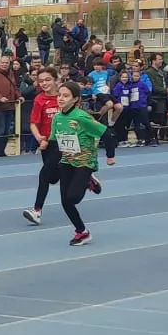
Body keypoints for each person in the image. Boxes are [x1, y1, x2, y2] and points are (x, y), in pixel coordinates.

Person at [48, 80, 106, 247]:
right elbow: (54, 143)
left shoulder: (82, 117)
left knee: (73, 197)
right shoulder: (57, 118)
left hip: (84, 160)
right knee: (65, 202)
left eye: (65, 96)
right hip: (66, 160)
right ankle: (82, 232)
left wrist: (110, 155)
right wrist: (50, 166)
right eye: (59, 95)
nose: (60, 98)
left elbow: (105, 133)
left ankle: (88, 179)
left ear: (75, 99)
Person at [22, 67, 62, 226]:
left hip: (63, 140)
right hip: (47, 143)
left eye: (48, 80)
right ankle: (83, 174)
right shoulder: (39, 100)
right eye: (41, 81)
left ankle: (37, 210)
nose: (44, 83)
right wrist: (39, 138)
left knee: (44, 174)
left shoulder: (63, 96)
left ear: (55, 79)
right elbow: (33, 123)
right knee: (53, 178)